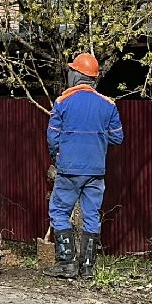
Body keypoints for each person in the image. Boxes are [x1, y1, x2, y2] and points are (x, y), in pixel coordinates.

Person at [47, 52, 124, 279]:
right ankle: (87, 267)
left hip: (69, 168)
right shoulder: (108, 105)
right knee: (92, 216)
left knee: (59, 212)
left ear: (77, 74)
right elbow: (118, 137)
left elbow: (52, 138)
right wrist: (96, 139)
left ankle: (66, 263)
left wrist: (58, 157)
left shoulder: (62, 102)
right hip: (96, 171)